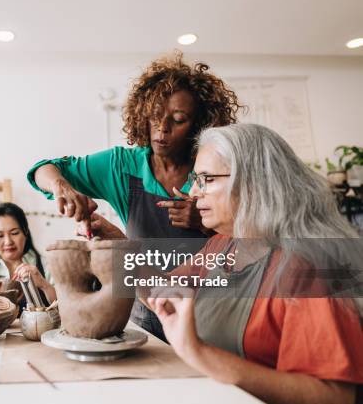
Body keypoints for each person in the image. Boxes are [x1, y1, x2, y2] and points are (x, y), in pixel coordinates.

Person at [27, 51, 242, 337]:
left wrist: (204, 223)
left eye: (178, 119)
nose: (162, 128)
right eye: (155, 116)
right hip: (148, 312)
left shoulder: (214, 169)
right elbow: (45, 169)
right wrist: (62, 187)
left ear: (201, 125)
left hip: (210, 313)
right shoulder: (122, 167)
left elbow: (249, 238)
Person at [147, 124, 363, 404]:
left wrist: (198, 352)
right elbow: (162, 291)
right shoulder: (223, 244)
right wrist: (117, 253)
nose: (194, 192)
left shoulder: (309, 266)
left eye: (207, 179)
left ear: (253, 182)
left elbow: (334, 396)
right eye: (195, 180)